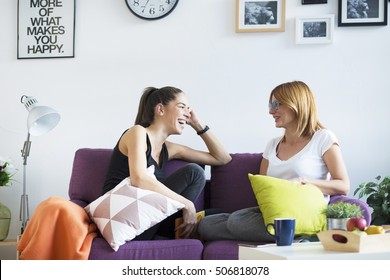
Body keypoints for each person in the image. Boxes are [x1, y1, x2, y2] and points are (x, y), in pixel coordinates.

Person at [197, 81, 350, 242]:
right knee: (207, 224)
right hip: (273, 211)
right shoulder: (272, 144)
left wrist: (304, 182)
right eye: (270, 104)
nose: (271, 111)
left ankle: (298, 234)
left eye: (276, 104)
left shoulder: (323, 138)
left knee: (235, 222)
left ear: (296, 104)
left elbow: (343, 186)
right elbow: (263, 188)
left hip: (303, 212)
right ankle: (291, 236)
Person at [102, 86, 231, 240]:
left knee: (222, 216)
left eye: (189, 109)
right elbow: (139, 179)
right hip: (124, 218)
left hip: (151, 221)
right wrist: (187, 204)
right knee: (194, 172)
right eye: (182, 107)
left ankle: (175, 232)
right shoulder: (137, 132)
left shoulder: (169, 148)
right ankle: (175, 235)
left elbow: (222, 158)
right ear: (160, 109)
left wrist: (198, 125)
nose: (187, 113)